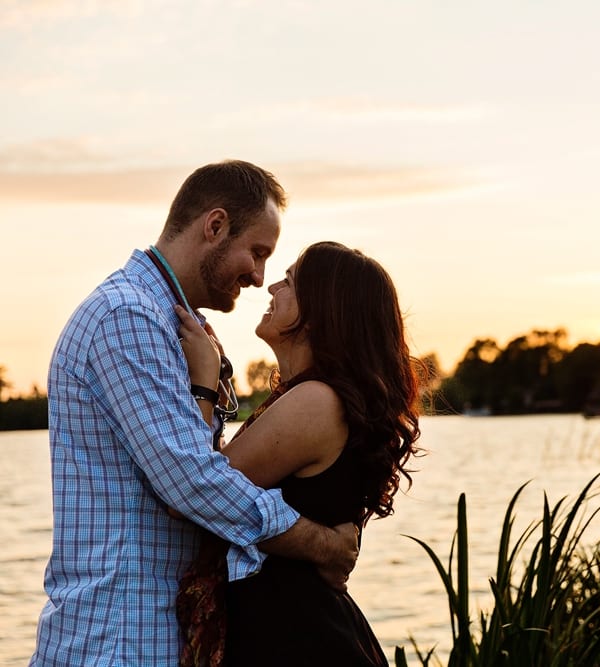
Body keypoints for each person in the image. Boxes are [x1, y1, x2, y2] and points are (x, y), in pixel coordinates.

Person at [31, 161, 359, 667]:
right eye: (257, 252)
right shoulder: (129, 316)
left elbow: (198, 470)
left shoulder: (177, 326)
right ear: (214, 226)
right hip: (117, 640)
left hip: (152, 634)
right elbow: (193, 483)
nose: (258, 277)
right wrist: (322, 545)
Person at [175, 241, 421, 666]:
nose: (271, 287)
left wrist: (203, 384)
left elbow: (196, 489)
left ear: (321, 312)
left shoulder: (316, 402)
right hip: (296, 628)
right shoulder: (315, 397)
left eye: (288, 282)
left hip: (296, 636)